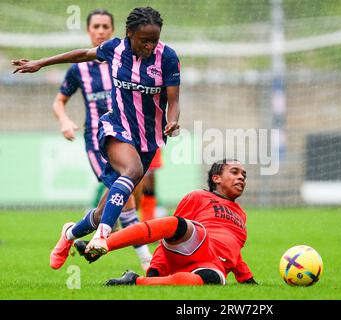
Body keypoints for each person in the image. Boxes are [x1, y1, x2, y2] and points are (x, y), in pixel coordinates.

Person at [12, 6, 180, 270]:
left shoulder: (167, 57)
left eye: (154, 40)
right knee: (132, 174)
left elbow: (174, 99)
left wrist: (173, 120)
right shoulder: (115, 50)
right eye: (143, 40)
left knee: (109, 206)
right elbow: (80, 55)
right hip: (113, 128)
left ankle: (69, 234)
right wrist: (41, 63)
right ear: (129, 34)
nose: (149, 46)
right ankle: (108, 238)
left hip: (148, 138)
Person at [53, 9, 152, 271]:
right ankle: (148, 262)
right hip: (100, 143)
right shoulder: (79, 70)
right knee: (127, 199)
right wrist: (64, 120)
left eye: (105, 26)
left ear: (113, 30)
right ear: (88, 31)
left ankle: (71, 233)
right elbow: (59, 102)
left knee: (109, 209)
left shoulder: (125, 60)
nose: (100, 31)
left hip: (129, 138)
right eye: (95, 26)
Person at [83, 159, 257, 286]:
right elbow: (168, 231)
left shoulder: (241, 214)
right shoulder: (199, 197)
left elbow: (234, 250)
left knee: (214, 279)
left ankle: (135, 281)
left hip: (210, 264)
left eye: (244, 175)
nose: (241, 177)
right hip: (200, 243)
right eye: (235, 172)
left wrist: (246, 278)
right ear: (216, 178)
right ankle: (104, 243)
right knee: (178, 224)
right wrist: (155, 267)